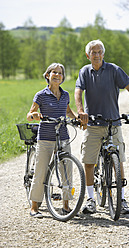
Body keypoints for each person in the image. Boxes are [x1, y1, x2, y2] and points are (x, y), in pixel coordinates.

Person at [75, 40, 129, 214]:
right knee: (89, 162)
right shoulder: (84, 72)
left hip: (113, 123)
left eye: (99, 52)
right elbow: (78, 91)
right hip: (93, 124)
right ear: (88, 55)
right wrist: (81, 111)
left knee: (118, 161)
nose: (96, 55)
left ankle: (122, 199)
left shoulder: (113, 70)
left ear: (103, 54)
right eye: (93, 52)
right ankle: (90, 200)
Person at [27, 63, 78, 218]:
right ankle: (34, 207)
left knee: (66, 171)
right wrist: (35, 116)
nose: (57, 75)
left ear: (63, 77)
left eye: (60, 73)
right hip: (45, 137)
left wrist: (77, 119)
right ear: (47, 75)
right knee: (41, 171)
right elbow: (30, 114)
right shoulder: (41, 95)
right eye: (54, 72)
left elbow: (68, 111)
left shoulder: (66, 95)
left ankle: (66, 206)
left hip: (63, 136)